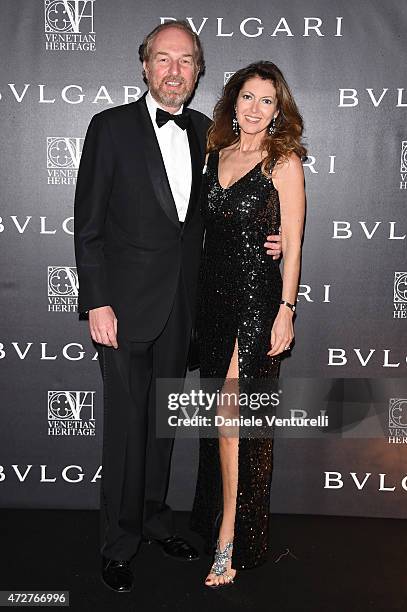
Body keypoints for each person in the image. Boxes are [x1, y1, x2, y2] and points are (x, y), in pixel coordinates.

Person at [74, 22, 283, 592]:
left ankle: (154, 520)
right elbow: (88, 227)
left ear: (198, 71)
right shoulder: (109, 128)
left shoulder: (207, 134)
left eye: (185, 60)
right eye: (163, 59)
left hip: (185, 309)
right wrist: (96, 302)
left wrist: (277, 236)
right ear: (145, 66)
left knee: (164, 425)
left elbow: (233, 209)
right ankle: (118, 543)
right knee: (126, 428)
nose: (174, 71)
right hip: (122, 309)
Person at [190, 61, 306, 587]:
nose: (255, 108)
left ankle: (230, 538)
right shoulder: (214, 155)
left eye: (266, 100)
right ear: (232, 103)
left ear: (277, 109)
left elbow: (294, 246)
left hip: (257, 302)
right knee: (221, 422)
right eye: (247, 97)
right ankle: (218, 519)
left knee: (234, 421)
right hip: (212, 304)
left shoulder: (284, 162)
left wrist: (287, 309)